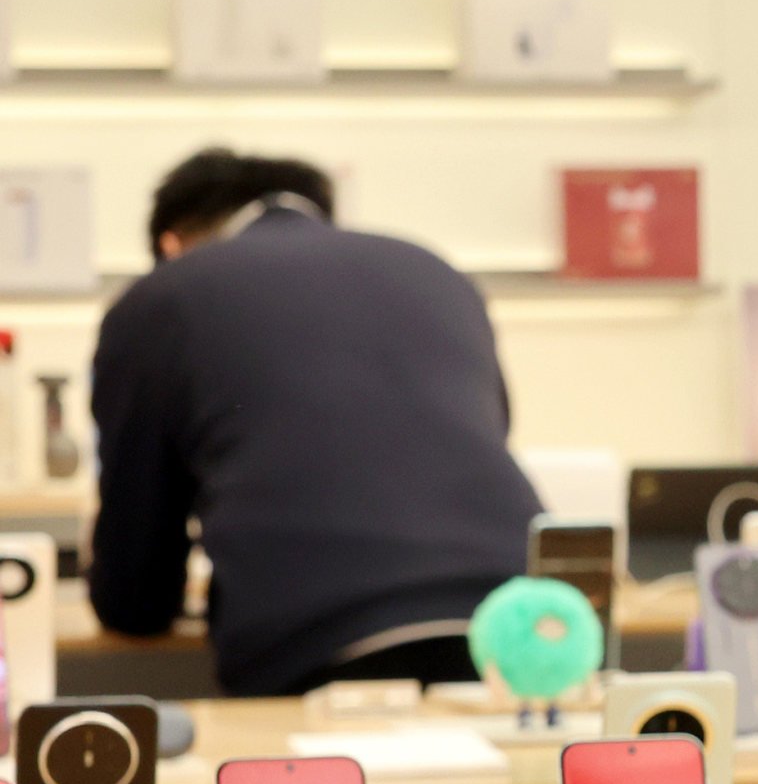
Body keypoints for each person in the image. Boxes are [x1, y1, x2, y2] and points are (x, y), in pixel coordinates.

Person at [86, 149, 542, 694]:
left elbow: (136, 583)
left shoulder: (163, 295)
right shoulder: (433, 269)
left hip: (313, 638)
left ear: (171, 243)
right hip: (525, 622)